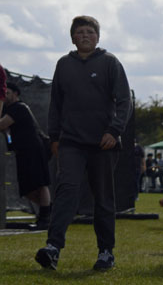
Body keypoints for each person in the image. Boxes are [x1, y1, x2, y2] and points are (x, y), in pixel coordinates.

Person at [35, 16, 131, 271]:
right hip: (71, 142)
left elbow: (124, 101)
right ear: (73, 37)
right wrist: (54, 137)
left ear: (97, 36)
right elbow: (55, 104)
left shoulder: (110, 62)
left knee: (102, 198)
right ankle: (53, 248)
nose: (85, 35)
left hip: (104, 143)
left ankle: (105, 252)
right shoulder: (64, 65)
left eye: (90, 31)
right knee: (66, 190)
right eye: (80, 32)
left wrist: (114, 130)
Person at [0, 82, 51, 229]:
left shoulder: (19, 108)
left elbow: (2, 125)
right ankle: (49, 210)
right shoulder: (9, 110)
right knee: (27, 190)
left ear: (16, 94)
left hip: (33, 150)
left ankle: (45, 219)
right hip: (22, 152)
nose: (5, 96)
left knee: (40, 184)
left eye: (7, 93)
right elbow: (6, 131)